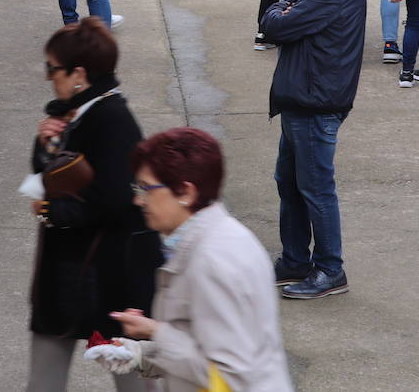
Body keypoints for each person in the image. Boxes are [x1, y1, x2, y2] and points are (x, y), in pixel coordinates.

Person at [101, 128, 293, 391]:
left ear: (185, 193)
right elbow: (206, 346)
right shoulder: (214, 239)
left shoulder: (212, 262)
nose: (139, 199)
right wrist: (142, 354)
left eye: (147, 188)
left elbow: (228, 376)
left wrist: (156, 332)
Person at [27, 19, 160, 392]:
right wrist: (44, 145)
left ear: (79, 74)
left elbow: (114, 198)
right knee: (44, 380)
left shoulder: (112, 119)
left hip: (109, 275)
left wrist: (52, 211)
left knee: (132, 377)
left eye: (52, 68)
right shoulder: (74, 112)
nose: (48, 77)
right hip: (71, 273)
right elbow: (52, 175)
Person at [260, 0, 364, 300]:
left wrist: (281, 13)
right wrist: (281, 11)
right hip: (303, 97)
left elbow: (277, 23)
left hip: (316, 101)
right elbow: (279, 12)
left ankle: (330, 269)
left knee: (316, 187)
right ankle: (295, 261)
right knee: (289, 182)